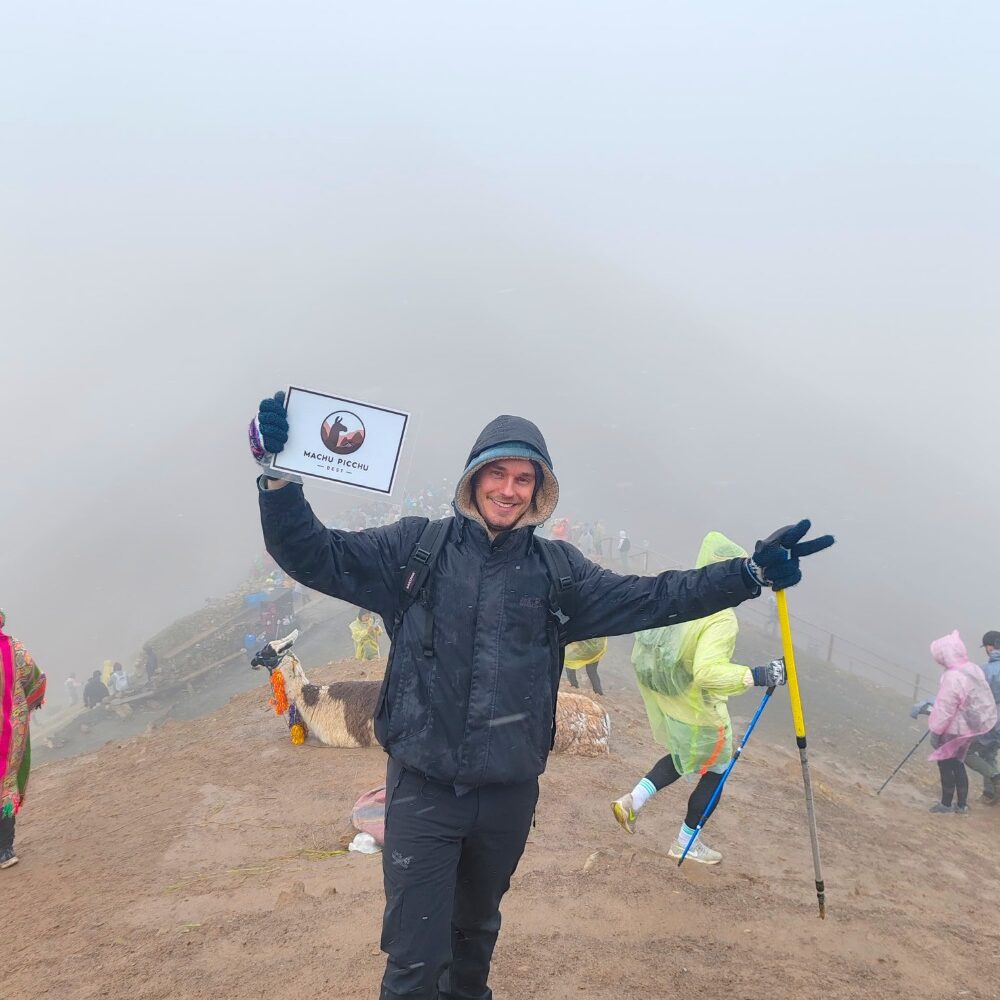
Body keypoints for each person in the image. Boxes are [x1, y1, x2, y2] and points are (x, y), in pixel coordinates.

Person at [250, 393, 833, 1000]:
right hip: (423, 792)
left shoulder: (560, 573)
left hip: (506, 798)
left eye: (524, 478)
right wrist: (277, 477)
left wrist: (747, 575)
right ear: (473, 478)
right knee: (415, 963)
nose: (509, 489)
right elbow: (314, 554)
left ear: (540, 489)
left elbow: (656, 596)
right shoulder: (415, 552)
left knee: (474, 943)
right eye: (497, 474)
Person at [611, 532, 786, 864]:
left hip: (673, 705)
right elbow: (708, 672)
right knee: (717, 773)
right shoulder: (721, 618)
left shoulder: (684, 596)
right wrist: (757, 675)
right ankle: (685, 841)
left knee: (679, 758)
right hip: (702, 713)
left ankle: (632, 801)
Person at [926, 630, 997, 815]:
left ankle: (946, 804)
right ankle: (962, 805)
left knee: (946, 763)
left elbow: (947, 707)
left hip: (953, 727)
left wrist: (936, 727)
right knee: (958, 762)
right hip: (969, 727)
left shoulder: (953, 675)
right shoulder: (972, 668)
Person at [1, 609, 47, 869]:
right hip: (11, 732)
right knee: (6, 785)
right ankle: (5, 850)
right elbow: (35, 679)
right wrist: (21, 708)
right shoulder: (14, 647)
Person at [962, 630, 1000, 802]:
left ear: (990, 646)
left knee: (964, 751)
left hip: (990, 721)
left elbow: (971, 694)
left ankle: (995, 777)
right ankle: (991, 794)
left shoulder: (986, 670)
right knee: (989, 754)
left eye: (986, 646)